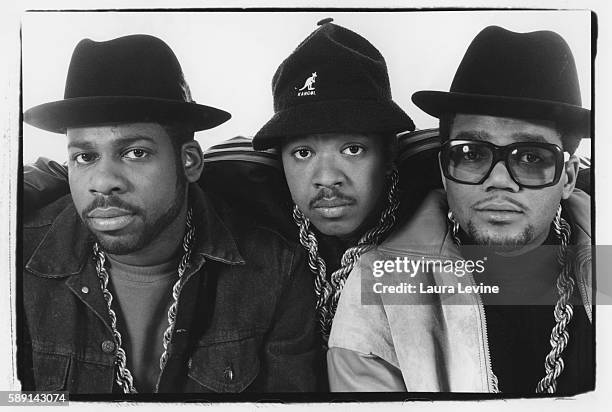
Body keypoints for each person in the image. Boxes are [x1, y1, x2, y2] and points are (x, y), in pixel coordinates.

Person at [21, 34, 318, 394]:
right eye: (85, 157)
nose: (102, 182)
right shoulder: (18, 261)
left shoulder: (274, 270)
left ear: (189, 161)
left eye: (135, 153)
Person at [327, 26, 593, 395]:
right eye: (472, 154)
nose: (499, 180)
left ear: (567, 177)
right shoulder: (379, 284)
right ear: (443, 168)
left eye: (532, 157)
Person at [251, 19, 416, 346]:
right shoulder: (250, 219)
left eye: (352, 149)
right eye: (302, 152)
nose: (326, 178)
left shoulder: (433, 212)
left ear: (389, 153)